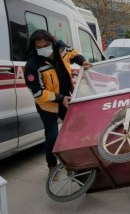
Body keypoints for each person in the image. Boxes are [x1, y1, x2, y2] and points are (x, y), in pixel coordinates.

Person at [24, 29, 91, 175]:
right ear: (34, 47)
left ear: (51, 42)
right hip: (48, 104)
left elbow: (72, 53)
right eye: (39, 47)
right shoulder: (32, 64)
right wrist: (60, 98)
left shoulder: (60, 48)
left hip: (67, 98)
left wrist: (82, 61)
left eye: (45, 45)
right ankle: (52, 166)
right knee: (52, 135)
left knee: (75, 131)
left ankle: (72, 163)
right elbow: (37, 93)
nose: (43, 49)